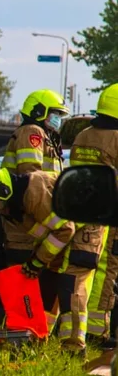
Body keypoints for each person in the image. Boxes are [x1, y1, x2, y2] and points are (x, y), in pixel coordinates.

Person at [0, 166, 96, 355]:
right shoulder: (11, 210)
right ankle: (38, 338)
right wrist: (22, 276)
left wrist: (37, 261)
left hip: (86, 225)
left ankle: (74, 349)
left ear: (3, 189)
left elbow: (65, 229)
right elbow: (18, 248)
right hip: (61, 234)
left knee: (70, 284)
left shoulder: (35, 192)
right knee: (48, 284)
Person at [69, 83, 118, 341]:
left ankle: (74, 329)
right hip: (109, 216)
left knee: (78, 272)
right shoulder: (116, 138)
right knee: (106, 270)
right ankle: (98, 330)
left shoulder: (83, 135)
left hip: (79, 213)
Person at [0, 89, 70, 267]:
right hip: (25, 228)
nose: (58, 118)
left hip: (35, 222)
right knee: (20, 282)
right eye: (55, 113)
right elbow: (32, 181)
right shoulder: (32, 132)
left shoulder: (46, 136)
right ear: (39, 111)